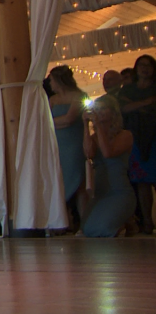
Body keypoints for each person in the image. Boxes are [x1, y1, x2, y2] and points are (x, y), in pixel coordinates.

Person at [81, 94, 135, 237]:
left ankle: (126, 221)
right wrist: (86, 126)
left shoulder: (125, 135)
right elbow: (88, 153)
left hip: (119, 190)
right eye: (98, 109)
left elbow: (107, 153)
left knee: (104, 228)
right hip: (101, 191)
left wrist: (98, 125)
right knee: (88, 229)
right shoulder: (94, 137)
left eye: (104, 109)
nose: (100, 112)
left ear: (113, 112)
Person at [116, 54, 156, 235]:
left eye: (148, 65)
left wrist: (135, 106)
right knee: (142, 182)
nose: (144, 68)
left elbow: (129, 107)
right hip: (136, 138)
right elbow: (123, 108)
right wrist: (148, 102)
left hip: (154, 136)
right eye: (141, 65)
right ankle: (147, 221)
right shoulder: (127, 90)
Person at [47, 65, 88, 233]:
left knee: (78, 183)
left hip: (74, 144)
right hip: (57, 145)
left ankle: (85, 224)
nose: (50, 84)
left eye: (51, 80)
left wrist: (50, 123)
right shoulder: (52, 100)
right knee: (59, 182)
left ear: (59, 80)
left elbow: (70, 119)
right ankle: (63, 222)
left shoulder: (79, 96)